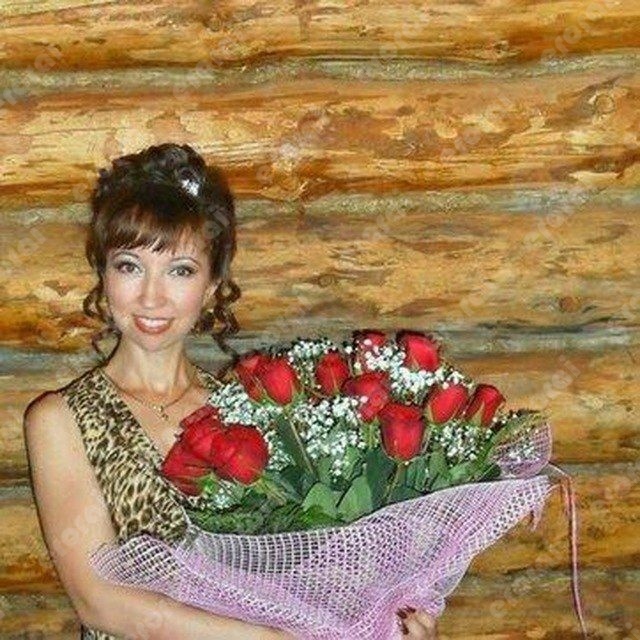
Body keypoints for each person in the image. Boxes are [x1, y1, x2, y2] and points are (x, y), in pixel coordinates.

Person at [23, 142, 437, 639]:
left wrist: (383, 620)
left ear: (212, 285)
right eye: (130, 266)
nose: (151, 296)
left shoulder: (252, 410)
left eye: (180, 270)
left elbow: (304, 567)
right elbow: (99, 601)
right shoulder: (61, 418)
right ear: (104, 275)